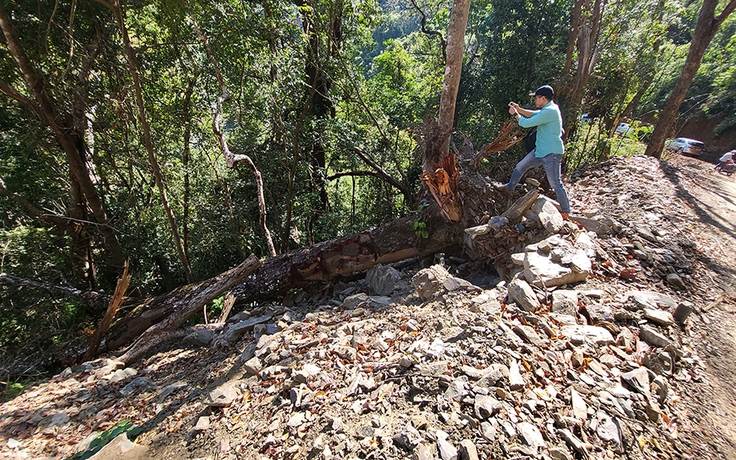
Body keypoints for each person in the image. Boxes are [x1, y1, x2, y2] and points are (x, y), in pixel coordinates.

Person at [500, 85, 571, 214]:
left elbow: (526, 123)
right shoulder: (548, 109)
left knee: (555, 184)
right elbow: (532, 113)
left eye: (536, 98)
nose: (535, 101)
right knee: (520, 166)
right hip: (540, 150)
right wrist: (519, 109)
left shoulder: (550, 111)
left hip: (551, 153)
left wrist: (515, 114)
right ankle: (509, 188)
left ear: (543, 98)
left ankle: (566, 211)